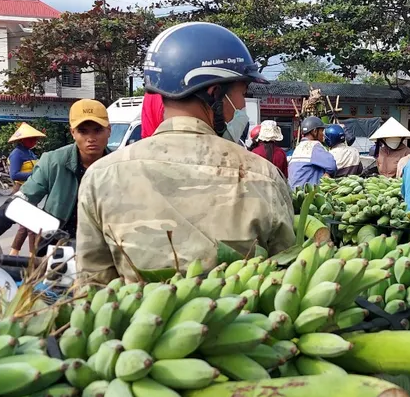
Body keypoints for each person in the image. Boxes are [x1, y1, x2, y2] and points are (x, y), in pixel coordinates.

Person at [77, 22, 294, 281]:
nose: (241, 106)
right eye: (242, 93)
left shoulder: (100, 176)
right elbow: (284, 275)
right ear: (215, 92)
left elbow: (92, 286)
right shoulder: (263, 176)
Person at [0, 99, 111, 243]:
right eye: (83, 131)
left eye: (98, 130)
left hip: (107, 246)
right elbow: (22, 200)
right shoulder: (53, 161)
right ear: (73, 133)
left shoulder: (119, 167)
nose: (91, 138)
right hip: (58, 245)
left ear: (109, 130)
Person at [6, 123, 46, 255]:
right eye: (31, 139)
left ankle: (14, 253)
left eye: (35, 139)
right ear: (23, 140)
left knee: (25, 225)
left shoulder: (30, 153)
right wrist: (34, 174)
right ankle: (32, 256)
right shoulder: (16, 154)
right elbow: (14, 175)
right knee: (31, 224)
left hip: (31, 190)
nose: (35, 141)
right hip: (21, 190)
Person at [288, 116, 336, 189]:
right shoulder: (314, 146)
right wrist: (327, 173)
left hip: (293, 191)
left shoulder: (299, 146)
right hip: (307, 192)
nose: (323, 134)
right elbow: (332, 166)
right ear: (315, 131)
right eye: (321, 131)